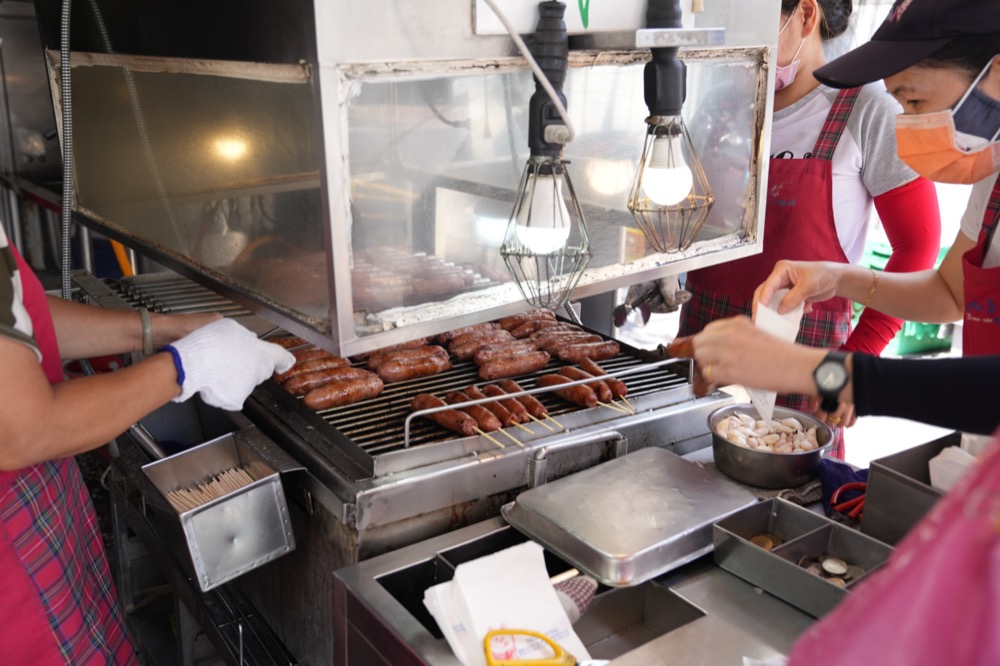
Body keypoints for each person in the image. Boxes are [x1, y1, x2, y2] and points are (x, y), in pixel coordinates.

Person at [685, 0, 1000, 437]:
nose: (906, 122)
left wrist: (830, 371)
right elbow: (950, 294)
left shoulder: (863, 113)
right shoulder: (993, 182)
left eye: (913, 99)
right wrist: (837, 278)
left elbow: (985, 393)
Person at [0, 226, 295, 663]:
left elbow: (20, 318)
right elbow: (24, 432)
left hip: (36, 510)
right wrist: (187, 365)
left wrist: (165, 330)